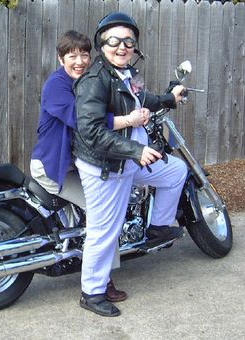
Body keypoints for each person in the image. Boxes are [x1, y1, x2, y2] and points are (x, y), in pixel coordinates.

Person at [73, 12, 188, 317]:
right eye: (114, 40)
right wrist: (136, 151)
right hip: (106, 166)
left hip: (128, 159)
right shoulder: (95, 81)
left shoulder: (123, 74)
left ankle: (159, 228)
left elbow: (141, 98)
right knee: (103, 230)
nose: (122, 46)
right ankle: (92, 293)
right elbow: (92, 132)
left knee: (176, 171)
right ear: (102, 44)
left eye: (128, 41)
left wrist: (168, 98)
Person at [30, 30, 130, 302]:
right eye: (72, 55)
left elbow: (105, 101)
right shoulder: (57, 85)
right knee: (105, 212)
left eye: (84, 54)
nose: (80, 61)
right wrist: (127, 119)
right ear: (60, 58)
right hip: (53, 167)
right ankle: (102, 280)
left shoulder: (85, 81)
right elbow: (84, 119)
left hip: (74, 164)